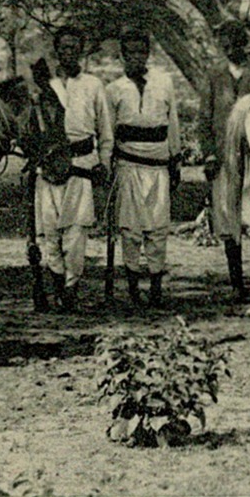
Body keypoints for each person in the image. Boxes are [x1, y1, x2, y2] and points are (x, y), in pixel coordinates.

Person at [35, 26, 114, 311]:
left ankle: (71, 288)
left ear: (80, 51)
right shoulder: (45, 86)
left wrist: (103, 163)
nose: (68, 52)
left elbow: (105, 132)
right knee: (49, 231)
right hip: (48, 168)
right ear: (56, 50)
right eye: (63, 47)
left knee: (77, 232)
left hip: (81, 164)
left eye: (73, 47)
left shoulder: (93, 86)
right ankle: (56, 287)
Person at [106, 30, 180, 309]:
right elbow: (108, 132)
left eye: (141, 52)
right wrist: (108, 164)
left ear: (148, 54)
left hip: (159, 164)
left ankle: (157, 289)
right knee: (131, 228)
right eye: (131, 53)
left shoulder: (164, 84)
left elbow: (173, 123)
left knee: (158, 227)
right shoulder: (113, 90)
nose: (137, 58)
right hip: (128, 165)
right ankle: (134, 290)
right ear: (123, 56)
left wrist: (176, 159)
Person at [204, 21, 250, 302]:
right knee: (228, 220)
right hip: (224, 158)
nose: (230, 47)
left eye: (234, 41)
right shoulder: (214, 76)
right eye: (224, 42)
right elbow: (205, 118)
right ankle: (236, 284)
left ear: (244, 43)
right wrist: (209, 152)